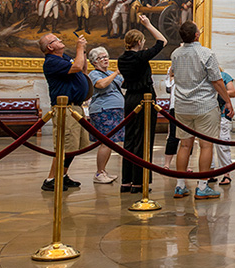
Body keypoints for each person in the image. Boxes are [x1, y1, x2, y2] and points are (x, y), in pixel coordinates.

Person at [171, 21, 234, 199]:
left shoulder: (175, 54)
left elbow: (174, 75)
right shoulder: (206, 53)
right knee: (206, 145)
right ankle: (203, 185)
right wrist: (227, 102)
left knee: (184, 145)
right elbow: (216, 80)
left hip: (182, 106)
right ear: (197, 35)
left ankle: (180, 185)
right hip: (204, 105)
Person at [117, 15, 167, 193]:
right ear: (138, 41)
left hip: (129, 98)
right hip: (144, 98)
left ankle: (126, 181)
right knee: (143, 140)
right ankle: (139, 182)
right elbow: (162, 41)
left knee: (130, 139)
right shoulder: (140, 57)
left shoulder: (122, 59)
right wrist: (148, 24)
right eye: (143, 40)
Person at [38, 33, 89, 192]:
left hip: (76, 107)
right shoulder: (51, 62)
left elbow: (83, 68)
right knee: (64, 145)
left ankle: (63, 175)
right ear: (50, 47)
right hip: (65, 108)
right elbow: (77, 67)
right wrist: (79, 48)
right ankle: (51, 179)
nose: (60, 40)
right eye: (56, 39)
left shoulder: (64, 57)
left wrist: (83, 51)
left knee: (75, 146)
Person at [87, 47, 122, 184]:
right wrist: (116, 73)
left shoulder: (110, 73)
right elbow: (101, 85)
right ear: (95, 62)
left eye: (106, 56)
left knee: (111, 142)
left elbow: (123, 82)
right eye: (102, 58)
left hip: (116, 110)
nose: (106, 59)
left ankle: (103, 170)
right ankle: (99, 172)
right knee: (106, 142)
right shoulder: (94, 74)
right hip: (103, 110)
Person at [211, 68, 235, 186]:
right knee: (206, 145)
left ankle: (226, 174)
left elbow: (232, 92)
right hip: (207, 114)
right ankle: (210, 172)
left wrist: (219, 92)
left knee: (223, 144)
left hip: (222, 114)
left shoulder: (224, 76)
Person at [162, 65, 180, 170]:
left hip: (188, 106)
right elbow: (168, 86)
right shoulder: (172, 67)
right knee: (173, 135)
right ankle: (167, 163)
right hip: (175, 105)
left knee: (187, 137)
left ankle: (184, 164)